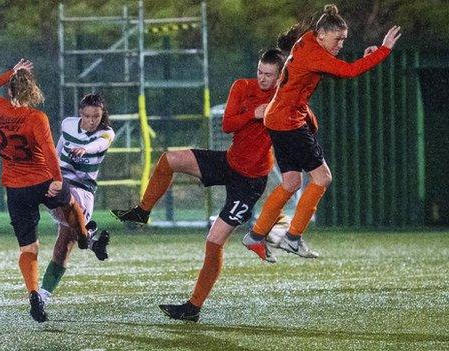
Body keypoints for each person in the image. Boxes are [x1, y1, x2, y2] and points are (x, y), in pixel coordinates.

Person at [113, 49, 286, 321]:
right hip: (228, 162)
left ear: (279, 76)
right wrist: (255, 112)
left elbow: (305, 120)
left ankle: (192, 308)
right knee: (168, 160)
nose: (262, 79)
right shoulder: (242, 87)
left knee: (214, 242)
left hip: (250, 183)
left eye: (269, 75)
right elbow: (228, 124)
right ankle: (142, 211)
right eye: (259, 72)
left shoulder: (284, 98)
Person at [243, 4, 401, 260]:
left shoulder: (308, 41)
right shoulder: (314, 53)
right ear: (321, 35)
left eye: (343, 40)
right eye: (338, 39)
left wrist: (363, 57)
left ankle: (255, 235)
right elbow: (347, 71)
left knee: (292, 183)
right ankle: (292, 239)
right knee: (322, 178)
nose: (340, 44)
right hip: (289, 123)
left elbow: (333, 68)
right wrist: (383, 51)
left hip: (277, 118)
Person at [0, 59, 93, 323]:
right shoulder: (36, 117)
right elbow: (49, 149)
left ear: (10, 91)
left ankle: (34, 293)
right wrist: (56, 178)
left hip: (16, 188)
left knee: (28, 248)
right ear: (31, 92)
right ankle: (84, 235)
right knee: (72, 204)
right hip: (42, 180)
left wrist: (11, 71)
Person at [39, 93, 114, 303]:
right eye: (88, 116)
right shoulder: (68, 125)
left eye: (96, 117)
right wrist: (50, 171)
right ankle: (89, 238)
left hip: (83, 188)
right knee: (66, 237)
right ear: (80, 114)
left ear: (102, 115)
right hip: (61, 180)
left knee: (65, 243)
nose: (92, 121)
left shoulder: (107, 133)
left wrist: (85, 149)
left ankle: (43, 295)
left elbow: (99, 145)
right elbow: (58, 148)